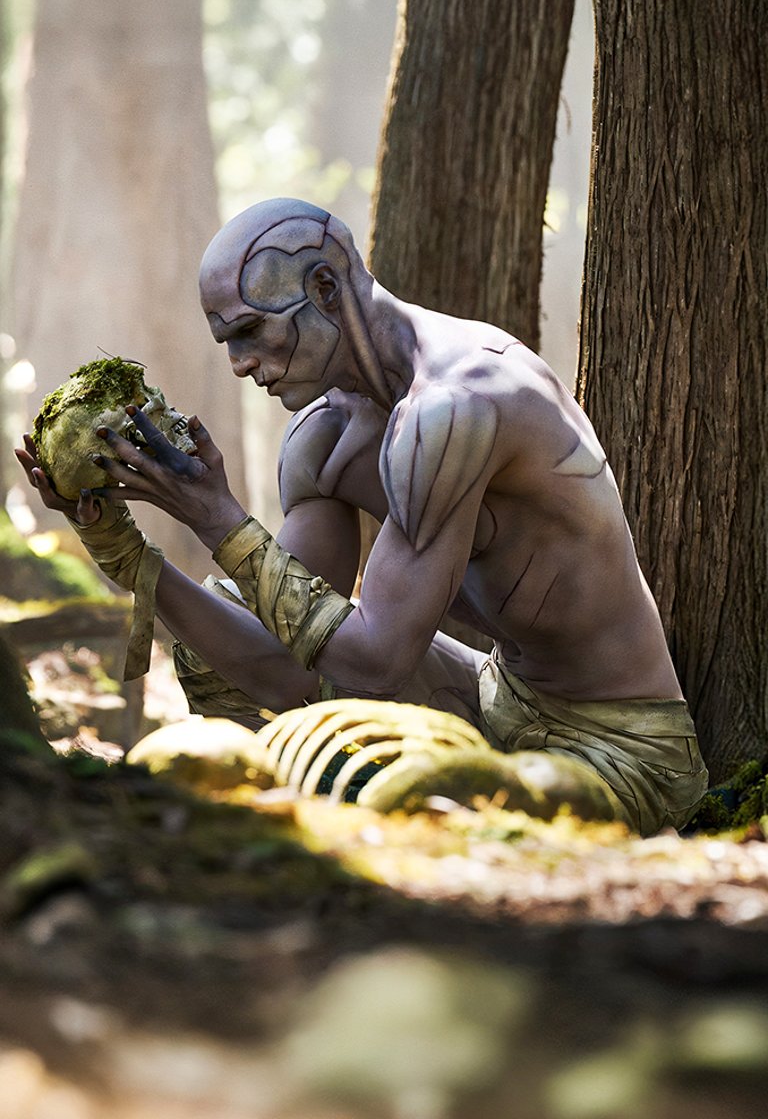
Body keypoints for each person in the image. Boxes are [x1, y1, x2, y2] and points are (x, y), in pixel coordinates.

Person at [16, 197, 707, 834]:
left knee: (380, 807)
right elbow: (292, 666)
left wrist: (217, 520)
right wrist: (123, 550)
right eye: (227, 339)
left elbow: (374, 664)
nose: (238, 364)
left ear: (325, 288)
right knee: (215, 649)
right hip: (496, 702)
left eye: (251, 329)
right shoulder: (325, 436)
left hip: (624, 754)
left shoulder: (457, 406)